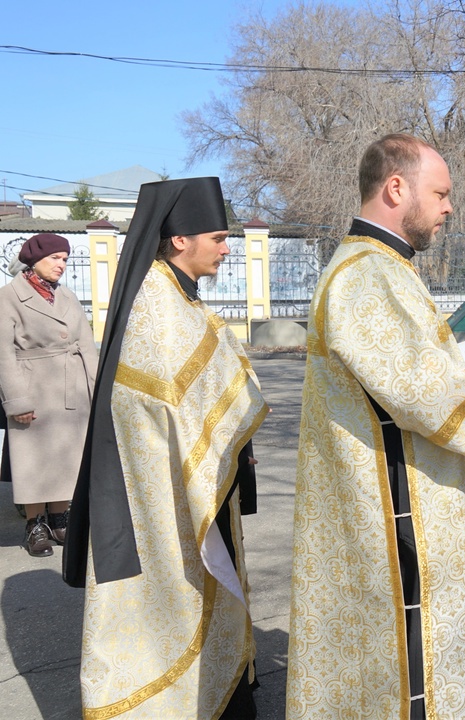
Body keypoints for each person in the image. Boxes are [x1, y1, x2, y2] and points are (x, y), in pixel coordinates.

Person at [286, 133, 465, 720]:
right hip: (397, 519)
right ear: (396, 187)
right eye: (441, 193)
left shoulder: (387, 268)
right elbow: (419, 388)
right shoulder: (364, 274)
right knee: (409, 669)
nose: (449, 207)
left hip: (422, 504)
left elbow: (424, 368)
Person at [63, 177, 267, 719]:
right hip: (169, 489)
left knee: (210, 595)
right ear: (180, 240)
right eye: (219, 238)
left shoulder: (176, 293)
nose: (227, 249)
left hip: (195, 474)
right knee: (174, 599)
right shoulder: (155, 302)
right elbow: (184, 400)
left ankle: (224, 692)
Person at [0, 233, 97, 556]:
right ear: (34, 260)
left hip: (73, 388)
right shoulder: (9, 297)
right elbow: (3, 354)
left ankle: (59, 518)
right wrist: (17, 401)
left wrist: (97, 392)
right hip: (34, 388)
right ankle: (35, 525)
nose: (62, 265)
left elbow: (87, 345)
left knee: (68, 456)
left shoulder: (67, 296)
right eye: (56, 258)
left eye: (66, 259)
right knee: (34, 459)